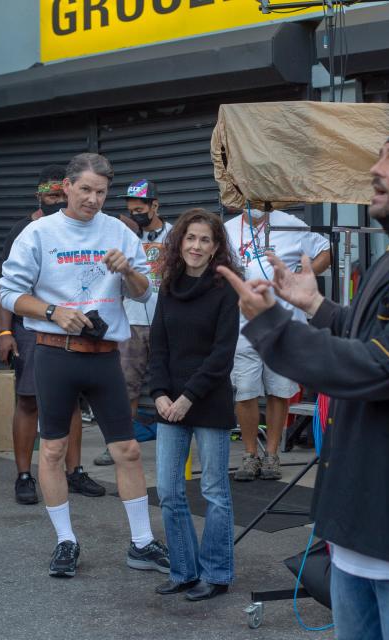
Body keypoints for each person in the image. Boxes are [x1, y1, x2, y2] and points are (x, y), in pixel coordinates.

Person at [219, 126, 389, 639]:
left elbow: (384, 369)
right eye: (379, 158)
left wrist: (273, 326)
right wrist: (314, 306)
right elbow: (369, 335)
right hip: (358, 522)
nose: (375, 170)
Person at [0, 153, 170, 578]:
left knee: (127, 450)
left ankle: (142, 542)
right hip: (55, 352)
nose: (94, 199)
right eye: (86, 190)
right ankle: (65, 542)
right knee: (54, 450)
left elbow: (144, 293)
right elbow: (9, 294)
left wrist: (128, 269)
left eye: (101, 191)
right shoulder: (38, 233)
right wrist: (54, 311)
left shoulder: (119, 231)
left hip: (105, 355)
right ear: (67, 188)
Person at [0, 164, 104, 503]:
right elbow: (5, 288)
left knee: (71, 401)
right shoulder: (23, 230)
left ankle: (74, 472)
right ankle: (24, 475)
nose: (56, 200)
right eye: (50, 194)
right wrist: (4, 332)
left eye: (61, 194)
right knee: (28, 401)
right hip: (31, 326)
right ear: (39, 195)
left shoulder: (78, 229)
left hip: (73, 324)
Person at [149, 208, 239, 601]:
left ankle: (216, 573)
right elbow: (158, 348)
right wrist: (160, 395)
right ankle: (184, 570)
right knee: (169, 491)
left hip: (208, 402)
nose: (196, 246)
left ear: (216, 246)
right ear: (179, 242)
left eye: (205, 239)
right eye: (190, 238)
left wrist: (187, 397)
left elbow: (222, 356)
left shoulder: (225, 291)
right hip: (170, 404)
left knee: (215, 492)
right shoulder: (169, 287)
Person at [224, 205, 330, 481]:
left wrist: (299, 278)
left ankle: (271, 454)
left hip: (283, 326)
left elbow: (326, 250)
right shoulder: (228, 229)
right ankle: (250, 454)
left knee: (279, 391)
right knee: (245, 391)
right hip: (242, 325)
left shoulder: (290, 224)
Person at [95, 179, 172, 466]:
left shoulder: (175, 235)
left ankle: (174, 443)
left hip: (166, 320)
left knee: (171, 383)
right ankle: (117, 442)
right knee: (125, 385)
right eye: (131, 210)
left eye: (141, 209)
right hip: (132, 320)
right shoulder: (123, 236)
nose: (135, 214)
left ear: (155, 206)